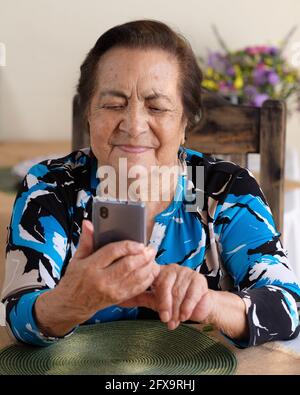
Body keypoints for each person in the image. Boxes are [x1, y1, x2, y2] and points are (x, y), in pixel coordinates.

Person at [1, 20, 300, 348]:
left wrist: (209, 303)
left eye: (156, 107)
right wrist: (71, 302)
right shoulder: (52, 186)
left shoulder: (223, 188)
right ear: (88, 112)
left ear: (186, 120)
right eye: (114, 105)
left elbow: (288, 307)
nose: (133, 125)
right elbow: (16, 312)